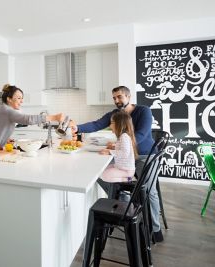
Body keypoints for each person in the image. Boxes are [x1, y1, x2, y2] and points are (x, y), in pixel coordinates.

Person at [70, 85, 164, 242]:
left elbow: (141, 135)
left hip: (144, 156)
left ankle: (155, 230)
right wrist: (77, 127)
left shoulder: (144, 111)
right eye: (114, 98)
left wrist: (117, 145)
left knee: (149, 190)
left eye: (119, 97)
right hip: (127, 157)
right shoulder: (115, 114)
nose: (116, 100)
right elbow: (96, 124)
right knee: (99, 172)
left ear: (128, 96)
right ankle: (125, 199)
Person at [0, 84, 64, 149]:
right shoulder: (7, 110)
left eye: (22, 98)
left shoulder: (6, 110)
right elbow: (28, 119)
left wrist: (5, 139)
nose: (22, 101)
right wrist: (54, 117)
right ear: (9, 99)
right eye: (19, 98)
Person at [98, 111, 138, 196]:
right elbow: (122, 148)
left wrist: (109, 151)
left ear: (120, 124)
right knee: (101, 170)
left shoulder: (124, 136)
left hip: (126, 170)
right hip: (121, 167)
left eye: (112, 123)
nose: (110, 125)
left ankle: (126, 180)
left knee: (103, 175)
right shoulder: (123, 136)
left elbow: (124, 153)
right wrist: (113, 146)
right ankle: (116, 189)